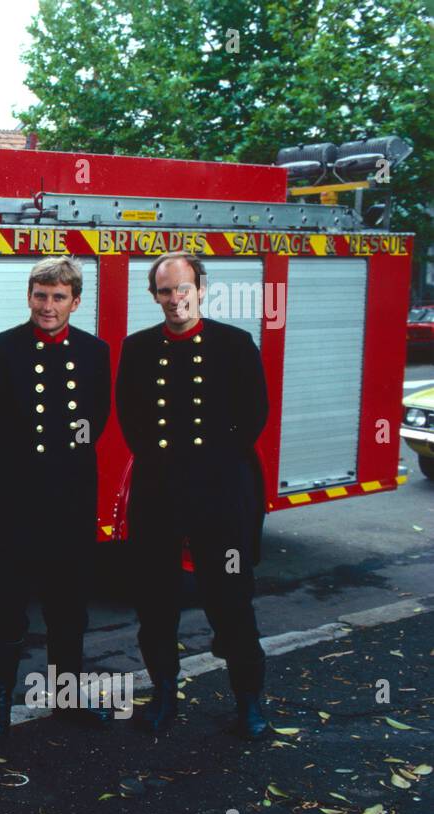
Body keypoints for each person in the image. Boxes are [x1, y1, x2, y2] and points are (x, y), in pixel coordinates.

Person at [115, 252, 270, 740]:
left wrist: (210, 464)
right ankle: (164, 696)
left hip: (221, 494)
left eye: (183, 288)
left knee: (231, 600)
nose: (175, 299)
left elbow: (254, 416)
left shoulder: (234, 344)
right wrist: (169, 464)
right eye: (165, 291)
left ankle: (248, 703)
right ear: (154, 295)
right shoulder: (138, 348)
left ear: (201, 288)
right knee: (156, 601)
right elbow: (130, 417)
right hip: (160, 493)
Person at [0, 256, 112, 739]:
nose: (48, 305)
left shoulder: (94, 352)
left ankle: (67, 700)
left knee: (69, 609)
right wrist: (10, 466)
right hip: (14, 504)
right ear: (29, 297)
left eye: (59, 297)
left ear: (76, 301)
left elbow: (97, 418)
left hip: (69, 502)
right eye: (41, 296)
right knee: (6, 610)